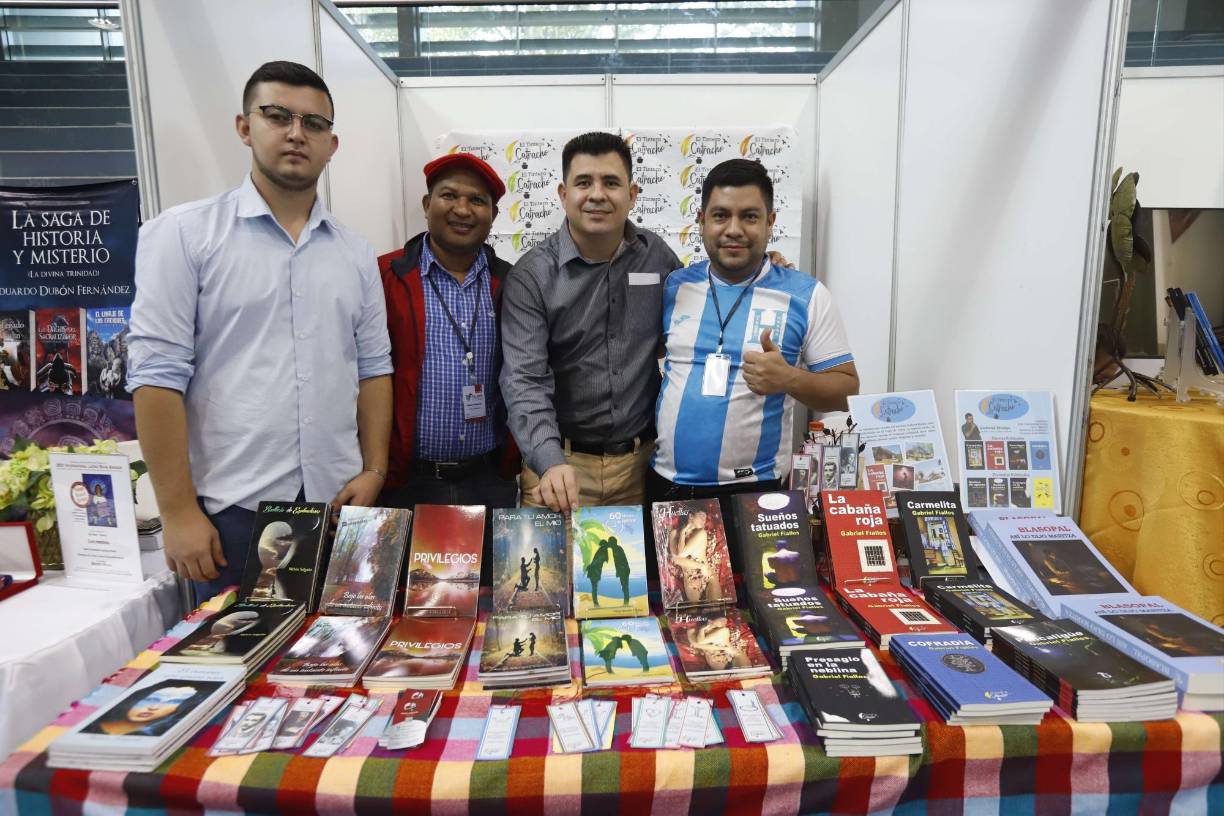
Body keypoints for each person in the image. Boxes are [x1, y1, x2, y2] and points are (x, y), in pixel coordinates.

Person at [127, 61, 392, 601]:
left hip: (339, 506)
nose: (297, 133)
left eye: (314, 124)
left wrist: (375, 469)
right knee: (236, 674)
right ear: (245, 128)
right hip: (231, 516)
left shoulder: (355, 253)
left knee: (336, 671)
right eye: (278, 116)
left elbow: (373, 369)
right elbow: (156, 379)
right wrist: (177, 512)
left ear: (332, 143)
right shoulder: (183, 235)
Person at [648, 159, 859, 537]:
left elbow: (847, 391)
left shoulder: (806, 294)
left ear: (770, 220)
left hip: (756, 493)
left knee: (756, 597)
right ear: (701, 220)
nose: (733, 230)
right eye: (720, 216)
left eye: (749, 216)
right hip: (668, 485)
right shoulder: (673, 286)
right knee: (679, 598)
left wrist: (790, 378)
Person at [500, 131, 683, 512]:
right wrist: (549, 461)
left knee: (636, 573)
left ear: (632, 195)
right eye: (584, 182)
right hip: (559, 471)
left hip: (640, 468)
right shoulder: (532, 276)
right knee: (549, 573)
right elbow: (524, 379)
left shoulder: (657, 258)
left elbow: (698, 312)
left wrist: (759, 272)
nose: (597, 194)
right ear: (563, 194)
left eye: (611, 182)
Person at [378, 153, 518, 524]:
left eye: (477, 200)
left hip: (488, 481)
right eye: (449, 195)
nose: (462, 209)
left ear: (493, 214)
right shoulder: (385, 277)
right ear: (427, 204)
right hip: (406, 483)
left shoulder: (512, 284)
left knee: (489, 583)